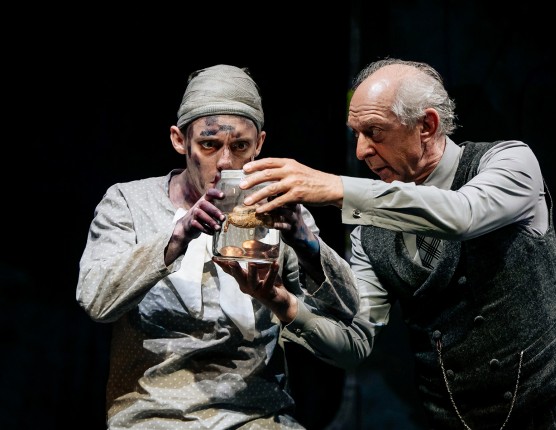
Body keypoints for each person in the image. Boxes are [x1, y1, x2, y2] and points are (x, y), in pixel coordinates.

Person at [236, 58, 556, 429]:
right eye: (356, 134)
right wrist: (283, 303)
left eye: (374, 132)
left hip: (548, 415)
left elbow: (463, 215)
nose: (361, 150)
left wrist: (337, 188)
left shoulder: (508, 162)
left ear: (427, 125)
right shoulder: (370, 231)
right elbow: (354, 345)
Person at [75, 64, 359, 429]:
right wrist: (176, 238)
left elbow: (347, 313)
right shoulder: (129, 203)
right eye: (209, 144)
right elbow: (95, 300)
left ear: (259, 144)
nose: (225, 162)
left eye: (240, 146)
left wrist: (305, 242)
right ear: (180, 140)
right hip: (154, 414)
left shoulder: (278, 211)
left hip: (256, 413)